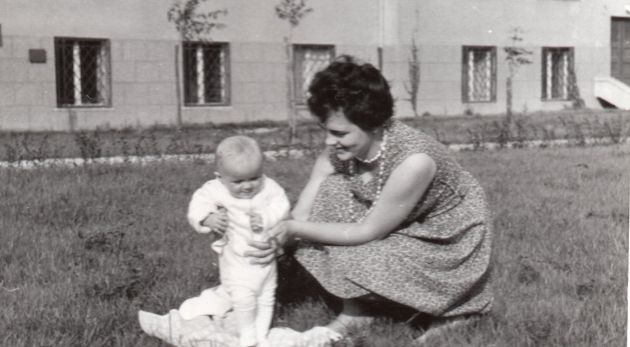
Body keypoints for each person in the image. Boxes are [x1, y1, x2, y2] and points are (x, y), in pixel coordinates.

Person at [247, 56, 494, 343]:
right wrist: (273, 239)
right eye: (325, 130)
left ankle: (457, 311)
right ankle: (357, 312)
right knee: (330, 192)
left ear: (374, 126)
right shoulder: (338, 154)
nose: (328, 142)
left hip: (445, 240)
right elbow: (302, 213)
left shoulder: (414, 161)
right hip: (397, 224)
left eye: (339, 133)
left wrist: (295, 231)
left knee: (340, 241)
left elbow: (368, 232)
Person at [187, 135, 291, 347]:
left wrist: (266, 217)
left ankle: (261, 335)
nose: (247, 186)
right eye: (238, 181)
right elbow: (197, 205)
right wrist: (209, 218)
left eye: (254, 178)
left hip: (265, 260)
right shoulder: (215, 189)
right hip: (236, 260)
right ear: (221, 178)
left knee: (266, 297)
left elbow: (282, 204)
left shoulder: (269, 187)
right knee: (243, 298)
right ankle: (247, 334)